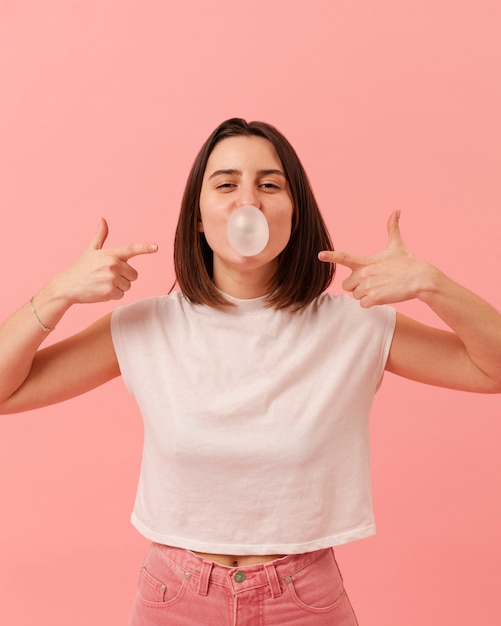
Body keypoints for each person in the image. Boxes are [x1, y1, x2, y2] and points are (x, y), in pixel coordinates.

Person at [1, 118, 501, 626]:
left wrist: (432, 285)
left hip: (305, 600)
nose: (249, 202)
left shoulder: (355, 325)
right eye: (225, 184)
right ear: (198, 216)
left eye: (269, 184)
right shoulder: (145, 326)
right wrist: (57, 292)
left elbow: (492, 369)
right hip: (173, 599)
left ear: (295, 212)